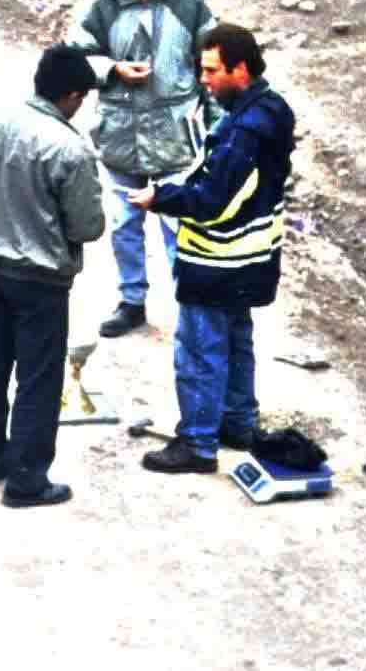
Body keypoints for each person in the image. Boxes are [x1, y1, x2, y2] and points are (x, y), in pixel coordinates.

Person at [128, 24, 295, 474]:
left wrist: (160, 198)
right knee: (237, 340)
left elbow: (211, 199)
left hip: (219, 259)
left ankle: (198, 444)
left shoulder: (244, 131)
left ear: (240, 69)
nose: (204, 79)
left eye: (212, 70)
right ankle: (237, 424)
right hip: (253, 258)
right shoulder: (272, 109)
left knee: (201, 349)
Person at [0, 46, 106, 508]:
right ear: (70, 95)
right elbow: (88, 226)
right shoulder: (69, 148)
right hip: (41, 279)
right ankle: (27, 478)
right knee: (39, 378)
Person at [68, 0, 217, 339]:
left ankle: (190, 307)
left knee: (180, 226)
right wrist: (112, 70)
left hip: (175, 136)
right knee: (123, 225)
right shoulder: (101, 8)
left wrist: (218, 124)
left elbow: (211, 62)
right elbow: (76, 59)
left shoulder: (190, 2)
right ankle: (131, 301)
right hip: (120, 136)